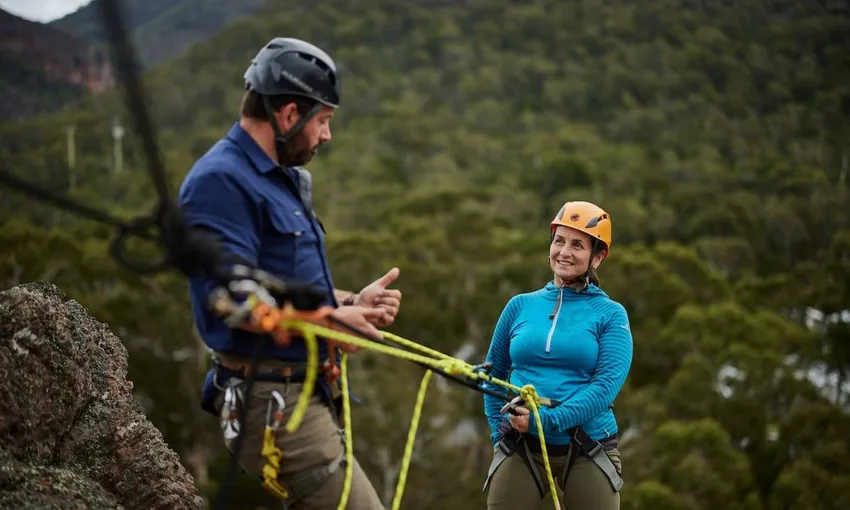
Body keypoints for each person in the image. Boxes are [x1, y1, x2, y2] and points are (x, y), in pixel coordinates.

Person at [178, 37, 399, 509]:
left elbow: (279, 282)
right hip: (273, 403)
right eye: (322, 121)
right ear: (288, 114)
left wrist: (346, 303)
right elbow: (235, 299)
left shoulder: (278, 180)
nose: (326, 135)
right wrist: (332, 323)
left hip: (304, 393)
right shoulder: (220, 180)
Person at [481, 201, 633, 510]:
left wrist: (546, 421)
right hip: (522, 443)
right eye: (558, 241)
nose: (563, 251)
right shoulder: (519, 306)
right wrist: (500, 434)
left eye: (577, 245)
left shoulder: (610, 315)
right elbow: (493, 374)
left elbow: (604, 389)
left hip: (587, 443)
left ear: (598, 256)